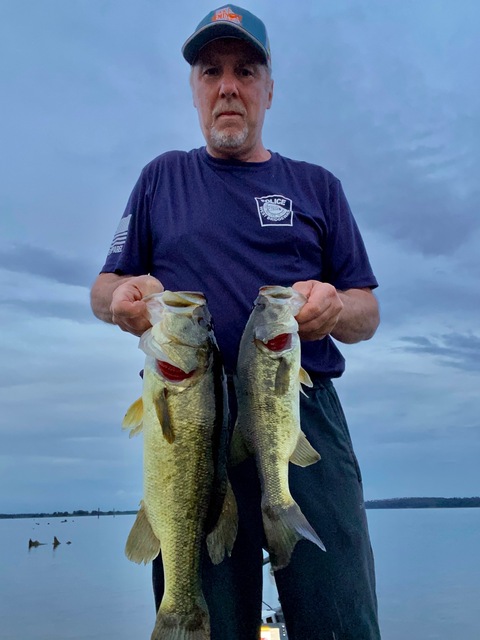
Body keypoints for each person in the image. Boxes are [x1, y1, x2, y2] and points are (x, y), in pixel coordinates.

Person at [90, 5, 381, 639]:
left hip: (300, 415)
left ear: (268, 89)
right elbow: (105, 286)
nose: (227, 85)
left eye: (245, 71)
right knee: (209, 618)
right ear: (194, 88)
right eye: (211, 70)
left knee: (341, 618)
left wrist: (337, 305)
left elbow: (367, 309)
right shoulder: (160, 179)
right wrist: (121, 297)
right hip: (192, 415)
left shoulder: (317, 186)